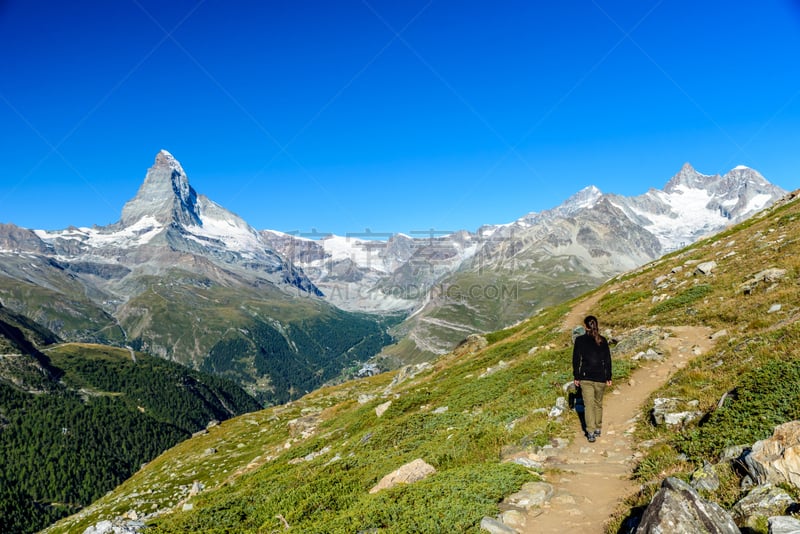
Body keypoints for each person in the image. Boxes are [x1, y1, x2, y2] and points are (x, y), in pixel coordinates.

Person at [572, 315, 612, 443]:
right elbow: (607, 360)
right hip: (600, 377)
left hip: (585, 377)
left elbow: (576, 360)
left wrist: (576, 376)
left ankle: (590, 432)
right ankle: (598, 428)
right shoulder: (603, 340)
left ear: (585, 327)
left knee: (588, 405)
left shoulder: (579, 340)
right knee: (598, 404)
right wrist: (608, 376)